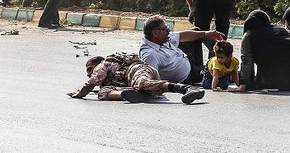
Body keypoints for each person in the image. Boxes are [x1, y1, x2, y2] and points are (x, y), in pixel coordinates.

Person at [68, 53, 205, 104]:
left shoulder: (103, 65)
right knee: (103, 92)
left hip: (136, 71)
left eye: (89, 69)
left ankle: (186, 89)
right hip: (129, 84)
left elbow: (94, 79)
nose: (88, 73)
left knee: (142, 82)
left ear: (95, 64)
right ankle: (131, 94)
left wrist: (80, 93)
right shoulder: (107, 82)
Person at [139, 15, 225, 84]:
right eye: (165, 29)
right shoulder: (150, 55)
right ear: (155, 33)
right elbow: (151, 81)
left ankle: (222, 58)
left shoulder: (160, 39)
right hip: (188, 75)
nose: (168, 31)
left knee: (197, 32)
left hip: (184, 57)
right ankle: (221, 68)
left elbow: (182, 36)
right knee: (218, 74)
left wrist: (207, 33)